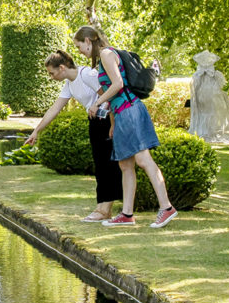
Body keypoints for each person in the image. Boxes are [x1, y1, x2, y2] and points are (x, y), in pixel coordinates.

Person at [75, 26, 176, 228]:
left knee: (143, 159)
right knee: (125, 164)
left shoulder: (105, 53)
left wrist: (97, 102)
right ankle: (127, 214)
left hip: (130, 111)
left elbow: (118, 84)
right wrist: (110, 114)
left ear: (88, 41)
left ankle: (166, 208)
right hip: (121, 113)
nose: (80, 51)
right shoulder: (106, 55)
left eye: (79, 46)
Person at [27, 50, 124, 222]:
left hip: (106, 121)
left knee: (107, 165)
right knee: (100, 165)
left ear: (62, 67)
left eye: (52, 73)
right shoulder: (70, 84)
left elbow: (109, 96)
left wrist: (113, 124)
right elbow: (54, 109)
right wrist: (36, 130)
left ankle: (105, 209)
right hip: (95, 121)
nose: (51, 77)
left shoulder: (86, 74)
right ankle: (101, 207)